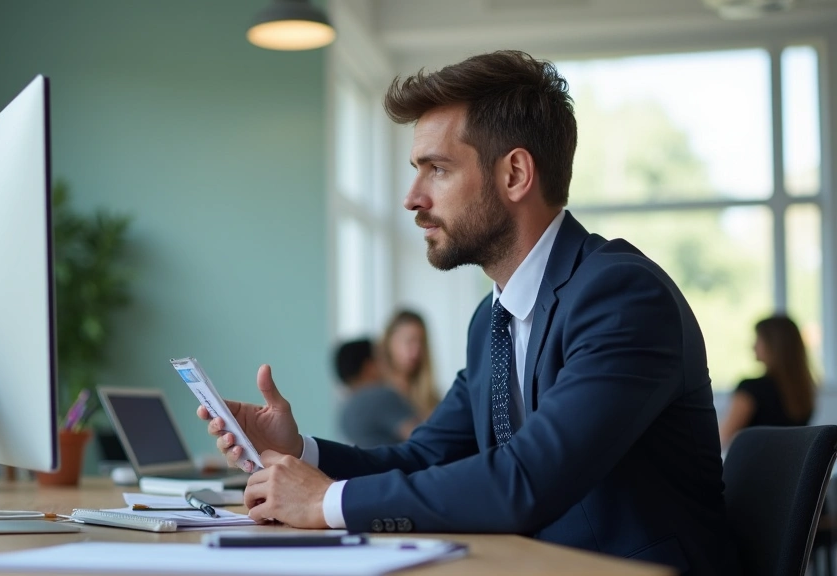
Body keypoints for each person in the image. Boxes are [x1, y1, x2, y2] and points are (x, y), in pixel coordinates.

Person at [197, 50, 738, 575]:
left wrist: (327, 503)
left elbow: (527, 480)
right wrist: (298, 451)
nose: (412, 198)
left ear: (515, 175)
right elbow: (424, 459)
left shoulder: (620, 296)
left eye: (437, 169)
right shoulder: (492, 321)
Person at [719, 314, 815, 448]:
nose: (753, 346)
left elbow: (724, 437)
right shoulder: (803, 391)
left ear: (773, 344)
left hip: (753, 466)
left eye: (758, 339)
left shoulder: (751, 389)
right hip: (790, 468)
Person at [333, 338, 420, 448]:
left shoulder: (345, 412)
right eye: (381, 359)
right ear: (369, 367)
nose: (387, 364)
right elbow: (423, 438)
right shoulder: (381, 397)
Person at [379, 310, 441, 417]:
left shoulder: (432, 399)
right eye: (408, 341)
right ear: (388, 343)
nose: (415, 350)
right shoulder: (376, 393)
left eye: (420, 342)